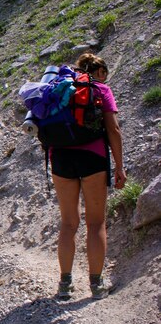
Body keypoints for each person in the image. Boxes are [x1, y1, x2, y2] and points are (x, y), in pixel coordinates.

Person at [52, 53, 126, 300]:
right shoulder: (101, 90)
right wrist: (119, 165)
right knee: (95, 223)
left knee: (68, 223)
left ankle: (64, 285)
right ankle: (96, 285)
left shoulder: (62, 88)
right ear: (100, 72)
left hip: (61, 158)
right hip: (93, 158)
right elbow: (113, 130)